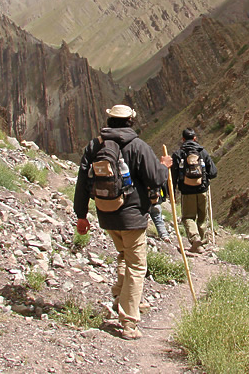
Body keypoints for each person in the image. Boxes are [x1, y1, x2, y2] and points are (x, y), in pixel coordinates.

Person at [74, 104, 172, 340]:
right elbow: (156, 177)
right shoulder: (138, 146)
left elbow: (81, 182)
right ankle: (129, 321)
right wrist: (165, 166)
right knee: (137, 266)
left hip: (106, 214)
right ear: (130, 121)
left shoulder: (94, 146)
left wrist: (81, 216)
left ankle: (120, 297)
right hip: (132, 217)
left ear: (109, 120)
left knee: (123, 256)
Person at [171, 128, 217, 254]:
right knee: (202, 217)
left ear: (183, 139)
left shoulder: (178, 154)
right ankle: (202, 242)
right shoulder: (203, 153)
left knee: (188, 217)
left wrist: (172, 193)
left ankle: (195, 240)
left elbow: (173, 176)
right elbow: (213, 172)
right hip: (202, 190)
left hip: (187, 192)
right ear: (195, 138)